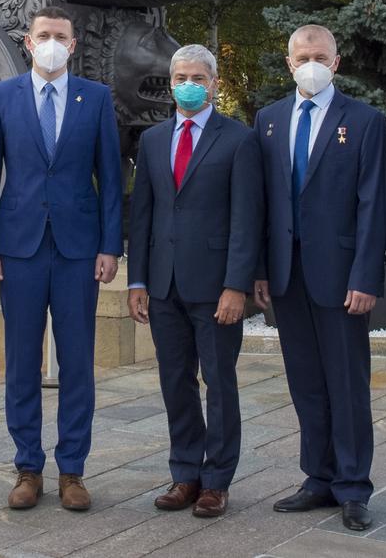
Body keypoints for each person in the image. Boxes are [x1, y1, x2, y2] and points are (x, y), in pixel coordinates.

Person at [0, 6, 123, 512]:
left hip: (79, 249)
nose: (52, 43)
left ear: (73, 45)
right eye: (43, 35)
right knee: (21, 361)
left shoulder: (97, 99)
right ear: (27, 41)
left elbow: (110, 179)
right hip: (19, 249)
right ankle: (28, 467)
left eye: (61, 36)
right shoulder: (2, 96)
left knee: (78, 361)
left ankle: (73, 471)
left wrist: (110, 245)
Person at [253, 24, 386, 532]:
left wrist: (366, 275)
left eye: (320, 55)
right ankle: (319, 477)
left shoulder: (366, 120)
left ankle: (354, 486)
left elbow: (374, 204)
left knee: (347, 383)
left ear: (336, 62)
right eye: (302, 55)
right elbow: (262, 203)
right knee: (306, 381)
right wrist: (261, 270)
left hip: (342, 277)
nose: (311, 63)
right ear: (289, 62)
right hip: (287, 276)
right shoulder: (268, 120)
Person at [126, 45, 263, 518]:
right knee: (175, 381)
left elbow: (247, 219)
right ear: (170, 83)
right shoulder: (153, 139)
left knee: (219, 383)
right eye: (181, 76)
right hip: (163, 285)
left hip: (215, 287)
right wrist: (136, 280)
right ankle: (185, 472)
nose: (189, 83)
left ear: (214, 83)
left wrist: (236, 286)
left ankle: (217, 481)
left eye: (198, 77)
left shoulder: (239, 140)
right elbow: (142, 214)